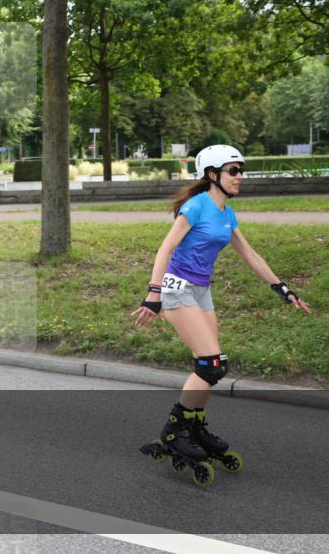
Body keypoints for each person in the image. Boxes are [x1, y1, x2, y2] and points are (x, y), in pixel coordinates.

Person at [133, 144, 312, 482]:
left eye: (241, 170)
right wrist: (153, 293)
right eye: (233, 171)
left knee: (211, 368)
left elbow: (251, 255)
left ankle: (195, 426)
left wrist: (283, 289)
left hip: (201, 291)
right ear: (212, 175)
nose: (240, 177)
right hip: (176, 288)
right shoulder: (196, 206)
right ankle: (175, 432)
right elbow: (165, 248)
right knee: (211, 364)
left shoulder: (226, 213)